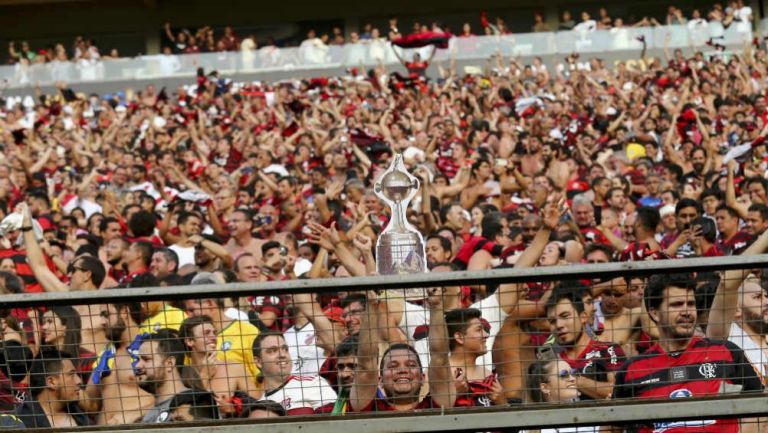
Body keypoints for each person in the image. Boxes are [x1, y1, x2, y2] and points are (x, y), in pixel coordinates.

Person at [612, 273, 763, 433]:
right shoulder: (633, 369)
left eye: (690, 303)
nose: (686, 311)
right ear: (655, 313)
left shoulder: (726, 351)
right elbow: (611, 426)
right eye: (677, 304)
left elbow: (761, 409)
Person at [350, 287, 455, 412]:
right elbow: (365, 364)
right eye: (393, 366)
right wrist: (372, 305)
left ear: (422, 378)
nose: (402, 370)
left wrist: (436, 305)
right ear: (380, 380)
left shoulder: (436, 407)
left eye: (410, 365)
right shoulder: (369, 409)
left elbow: (440, 359)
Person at [544, 283, 625, 400]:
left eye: (565, 316)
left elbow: (619, 390)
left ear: (583, 317)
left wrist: (572, 379)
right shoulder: (550, 363)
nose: (558, 325)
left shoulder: (609, 350)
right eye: (552, 321)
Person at [182, 272, 261, 390]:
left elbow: (262, 378)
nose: (188, 315)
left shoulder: (247, 332)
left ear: (209, 303)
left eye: (192, 310)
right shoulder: (193, 338)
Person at [179, 315, 261, 415]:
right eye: (206, 333)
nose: (213, 337)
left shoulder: (234, 368)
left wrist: (233, 409)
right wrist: (205, 375)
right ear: (190, 341)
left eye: (214, 332)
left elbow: (258, 405)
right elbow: (189, 413)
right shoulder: (182, 375)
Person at [135, 330, 219, 423]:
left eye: (146, 359)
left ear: (169, 363)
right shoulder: (149, 415)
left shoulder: (195, 402)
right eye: (138, 360)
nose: (137, 365)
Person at [253, 330, 336, 414]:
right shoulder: (260, 407)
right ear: (259, 362)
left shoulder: (312, 383)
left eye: (285, 349)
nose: (282, 355)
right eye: (273, 350)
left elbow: (336, 417)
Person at [15, 349, 88, 428]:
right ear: (51, 382)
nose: (79, 381)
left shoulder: (78, 416)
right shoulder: (21, 421)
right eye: (71, 374)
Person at [445, 308, 504, 407]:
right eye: (479, 330)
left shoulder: (488, 375)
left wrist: (502, 402)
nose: (486, 335)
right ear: (459, 337)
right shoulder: (438, 374)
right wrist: (451, 397)